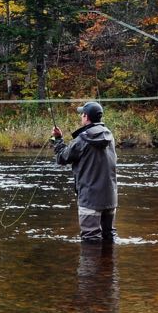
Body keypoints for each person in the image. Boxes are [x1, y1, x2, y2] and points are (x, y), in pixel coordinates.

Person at [51, 101, 118, 243]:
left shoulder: (82, 139)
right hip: (110, 199)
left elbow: (62, 158)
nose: (81, 116)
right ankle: (109, 265)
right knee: (108, 237)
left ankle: (91, 266)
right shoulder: (109, 136)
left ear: (86, 117)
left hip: (90, 199)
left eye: (82, 114)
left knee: (90, 240)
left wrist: (57, 139)